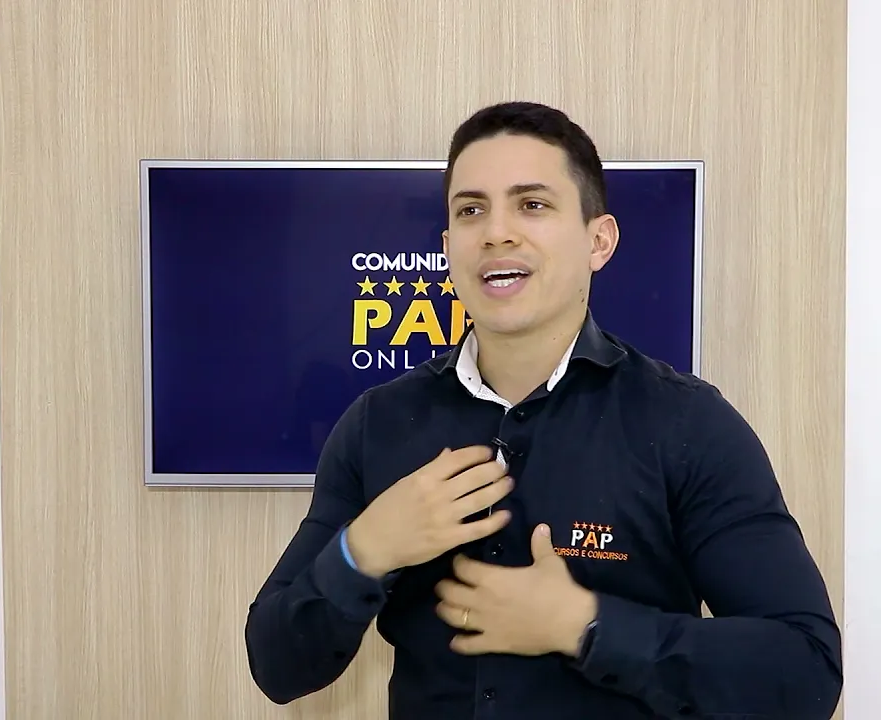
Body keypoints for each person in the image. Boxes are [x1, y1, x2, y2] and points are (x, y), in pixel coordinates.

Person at [245, 101, 843, 719]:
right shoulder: (378, 424)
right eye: (471, 210)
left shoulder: (688, 424)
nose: (496, 232)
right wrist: (364, 551)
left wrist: (584, 625)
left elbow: (805, 673)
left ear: (598, 241)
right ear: (448, 248)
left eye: (531, 204)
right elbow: (277, 666)